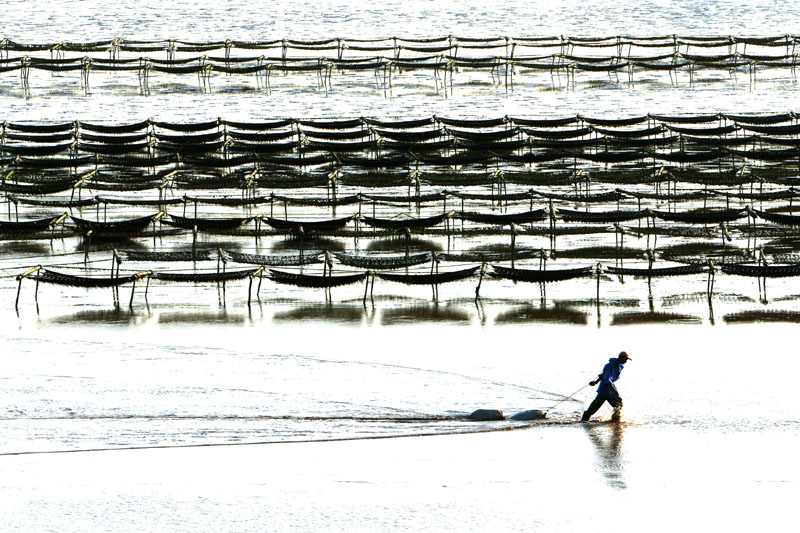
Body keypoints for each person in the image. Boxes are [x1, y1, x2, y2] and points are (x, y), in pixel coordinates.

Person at [581, 351, 631, 422]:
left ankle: (615, 421)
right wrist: (615, 391)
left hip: (610, 390)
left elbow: (603, 375)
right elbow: (607, 379)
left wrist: (596, 382)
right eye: (625, 359)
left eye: (627, 359)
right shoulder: (611, 365)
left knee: (619, 404)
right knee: (593, 408)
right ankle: (583, 421)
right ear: (621, 358)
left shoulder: (618, 365)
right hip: (604, 390)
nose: (626, 361)